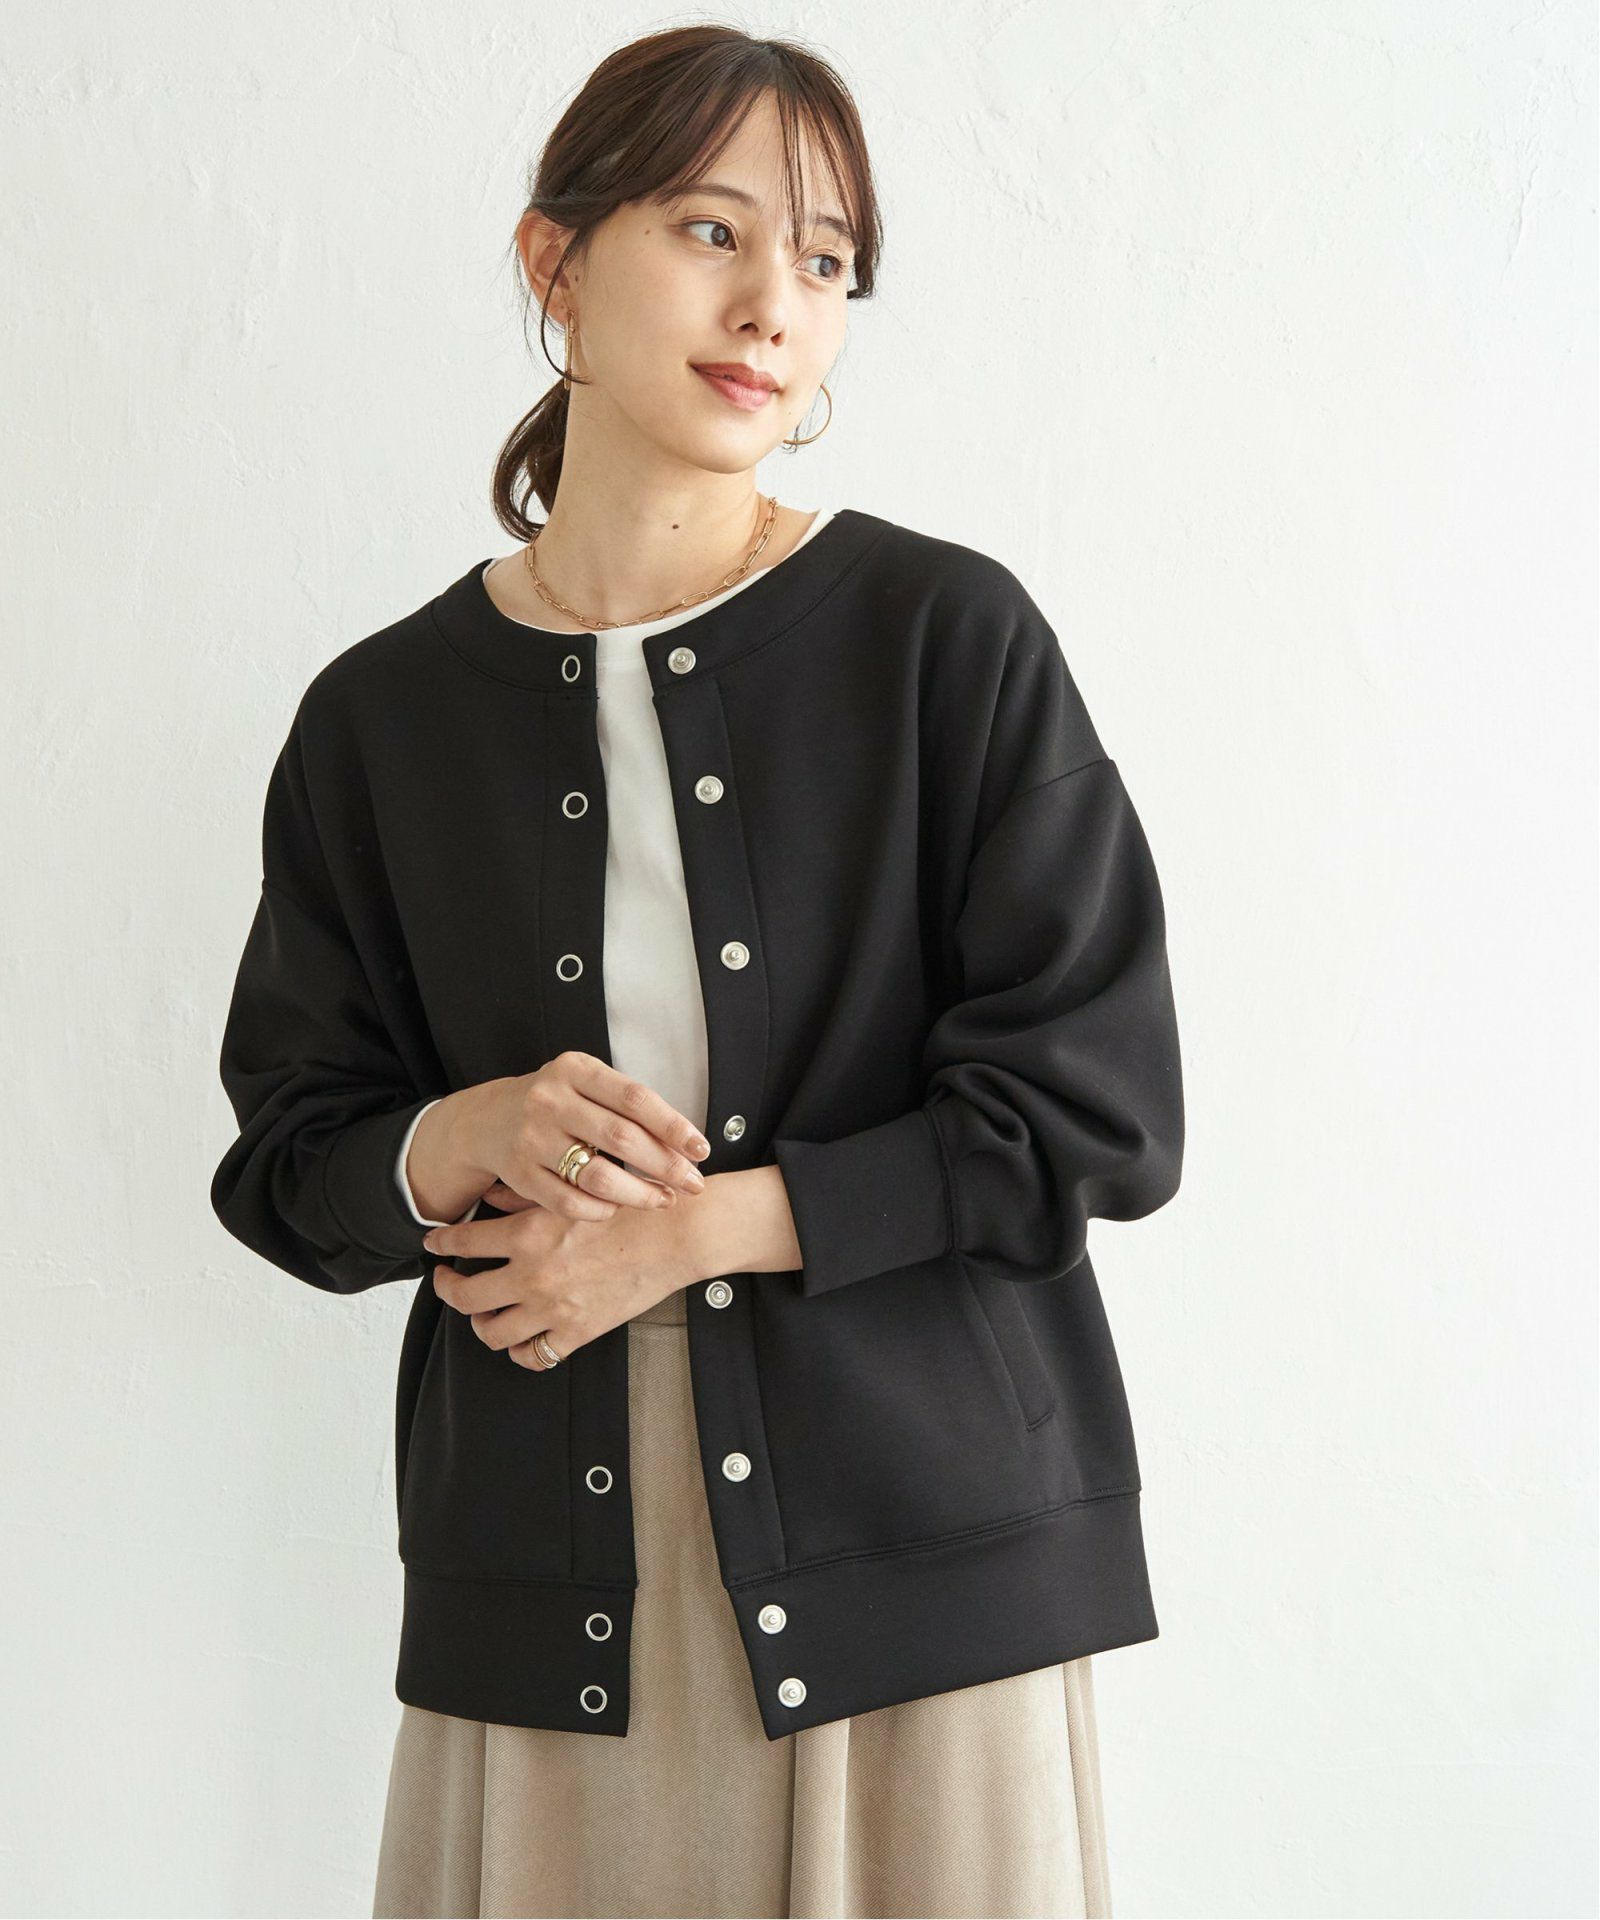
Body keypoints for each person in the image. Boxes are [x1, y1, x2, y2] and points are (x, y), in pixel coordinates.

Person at [209, 24, 1185, 1920]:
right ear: (555, 261)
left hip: (919, 1573)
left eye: (825, 259)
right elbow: (287, 1168)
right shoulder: (380, 721)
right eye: (712, 229)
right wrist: (456, 1136)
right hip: (553, 1595)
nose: (774, 309)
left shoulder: (946, 639)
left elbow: (1096, 1116)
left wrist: (692, 1232)